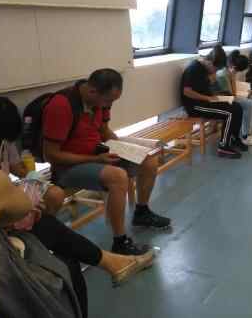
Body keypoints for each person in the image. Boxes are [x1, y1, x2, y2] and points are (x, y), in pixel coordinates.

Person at [0, 169, 154, 318]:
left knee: (52, 232)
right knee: (66, 260)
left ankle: (113, 261)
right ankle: (114, 258)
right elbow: (21, 206)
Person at [42, 69, 169, 256]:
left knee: (148, 161)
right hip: (68, 167)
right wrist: (95, 159)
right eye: (108, 101)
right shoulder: (61, 106)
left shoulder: (98, 102)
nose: (109, 106)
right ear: (92, 91)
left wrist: (126, 150)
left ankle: (142, 212)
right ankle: (120, 242)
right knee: (118, 177)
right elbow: (51, 155)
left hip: (97, 155)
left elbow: (104, 131)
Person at [0, 95, 66, 214]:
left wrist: (34, 178)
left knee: (55, 194)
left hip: (6, 190)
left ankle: (37, 219)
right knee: (24, 209)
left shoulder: (3, 139)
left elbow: (17, 168)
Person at [180, 46, 247, 159]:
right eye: (215, 69)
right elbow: (186, 92)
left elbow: (205, 88)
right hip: (195, 106)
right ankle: (223, 147)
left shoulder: (205, 69)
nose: (215, 71)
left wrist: (217, 96)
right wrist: (207, 98)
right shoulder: (193, 68)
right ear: (210, 62)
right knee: (229, 113)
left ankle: (234, 138)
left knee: (237, 107)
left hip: (206, 101)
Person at [213, 48, 252, 146]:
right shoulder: (222, 75)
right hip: (224, 99)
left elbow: (234, 91)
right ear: (233, 67)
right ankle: (246, 136)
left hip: (231, 96)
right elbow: (230, 94)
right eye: (237, 71)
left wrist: (245, 92)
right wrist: (245, 94)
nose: (237, 73)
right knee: (249, 103)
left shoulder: (230, 71)